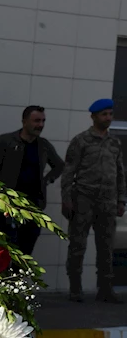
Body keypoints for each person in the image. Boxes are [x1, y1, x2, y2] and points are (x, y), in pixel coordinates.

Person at [61, 98, 126, 304]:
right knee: (78, 245)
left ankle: (105, 289)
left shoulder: (114, 142)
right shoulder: (81, 141)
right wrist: (66, 199)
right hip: (84, 199)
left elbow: (120, 173)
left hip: (108, 201)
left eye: (110, 114)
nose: (107, 118)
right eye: (103, 114)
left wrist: (121, 200)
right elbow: (68, 171)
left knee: (106, 247)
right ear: (94, 117)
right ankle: (75, 288)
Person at [0, 105, 64, 255]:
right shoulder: (5, 142)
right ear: (24, 121)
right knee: (3, 252)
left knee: (25, 253)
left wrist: (46, 181)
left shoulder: (43, 145)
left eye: (43, 121)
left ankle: (19, 278)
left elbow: (59, 165)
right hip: (8, 206)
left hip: (32, 208)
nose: (40, 125)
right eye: (36, 121)